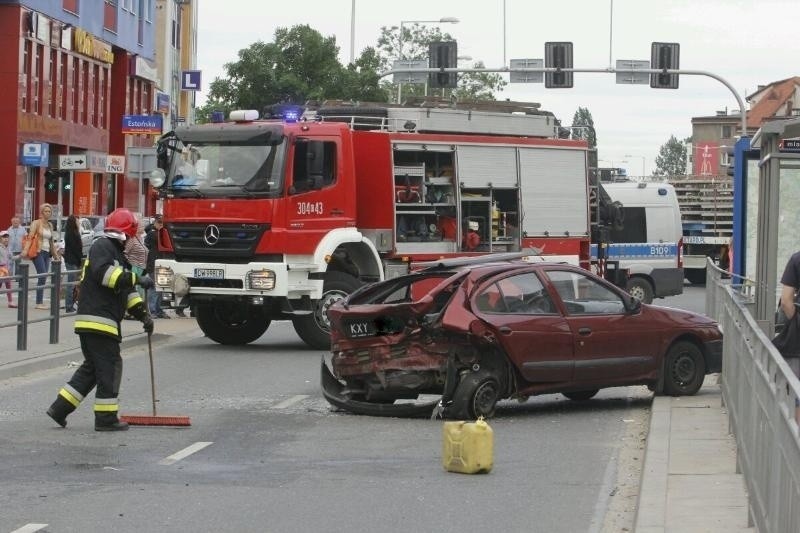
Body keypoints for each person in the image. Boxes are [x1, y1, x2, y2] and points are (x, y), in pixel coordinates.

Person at [46, 208, 155, 431]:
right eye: (133, 235)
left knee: (93, 369)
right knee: (110, 367)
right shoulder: (103, 246)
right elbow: (106, 276)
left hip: (95, 322)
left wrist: (144, 315)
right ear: (126, 232)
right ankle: (106, 419)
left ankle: (59, 408)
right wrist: (137, 277)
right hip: (99, 321)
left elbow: (127, 292)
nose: (134, 240)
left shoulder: (116, 253)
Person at [778, 251, 800, 422]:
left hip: (797, 342)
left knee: (796, 393)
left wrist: (796, 321)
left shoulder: (797, 259)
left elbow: (786, 300)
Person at [26, 203, 60, 309]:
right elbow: (30, 237)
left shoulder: (50, 225)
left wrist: (56, 256)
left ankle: (39, 301)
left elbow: (52, 243)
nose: (48, 213)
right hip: (38, 251)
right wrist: (25, 250)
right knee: (42, 274)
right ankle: (39, 302)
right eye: (46, 211)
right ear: (41, 212)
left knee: (43, 277)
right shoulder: (36, 223)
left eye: (49, 211)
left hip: (47, 253)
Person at [143, 214, 169, 319]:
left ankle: (159, 310)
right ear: (155, 223)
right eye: (159, 223)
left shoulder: (160, 233)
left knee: (161, 288)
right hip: (153, 263)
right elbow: (147, 247)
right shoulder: (152, 234)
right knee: (154, 288)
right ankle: (152, 310)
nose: (161, 225)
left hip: (162, 263)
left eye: (162, 223)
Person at [62, 215, 83, 313]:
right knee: (71, 284)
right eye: (77, 221)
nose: (79, 223)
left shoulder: (69, 233)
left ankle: (70, 304)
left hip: (70, 260)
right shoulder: (73, 234)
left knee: (71, 283)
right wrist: (80, 259)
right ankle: (69, 306)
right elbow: (77, 249)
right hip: (72, 261)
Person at [0, 230, 15, 307]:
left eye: (7, 237)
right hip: (1, 268)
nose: (6, 239)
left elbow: (11, 257)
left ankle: (10, 302)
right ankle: (10, 302)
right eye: (3, 237)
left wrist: (20, 256)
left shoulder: (8, 248)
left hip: (6, 269)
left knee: (8, 285)